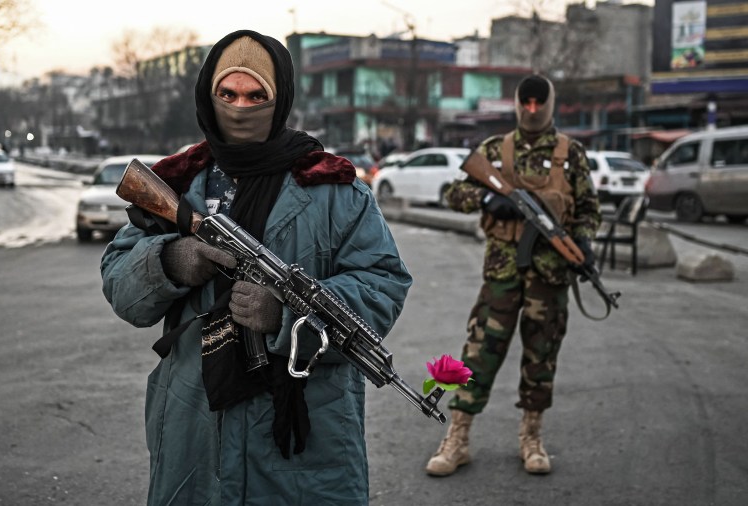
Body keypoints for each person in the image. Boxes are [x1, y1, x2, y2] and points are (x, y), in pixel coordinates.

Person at [100, 30, 412, 505]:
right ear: (209, 96)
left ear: (279, 98)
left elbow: (383, 283)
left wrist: (285, 317)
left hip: (304, 429)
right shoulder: (180, 183)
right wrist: (171, 259)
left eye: (255, 95)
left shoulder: (333, 188)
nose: (240, 107)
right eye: (228, 94)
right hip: (195, 420)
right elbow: (121, 284)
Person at [425, 74, 600, 477]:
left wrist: (584, 244)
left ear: (550, 104)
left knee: (542, 357)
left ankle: (532, 438)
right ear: (518, 104)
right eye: (527, 103)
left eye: (540, 103)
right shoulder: (494, 150)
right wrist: (487, 198)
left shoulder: (570, 154)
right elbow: (454, 194)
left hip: (551, 277)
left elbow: (589, 209)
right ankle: (458, 437)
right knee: (477, 355)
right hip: (502, 274)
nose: (532, 110)